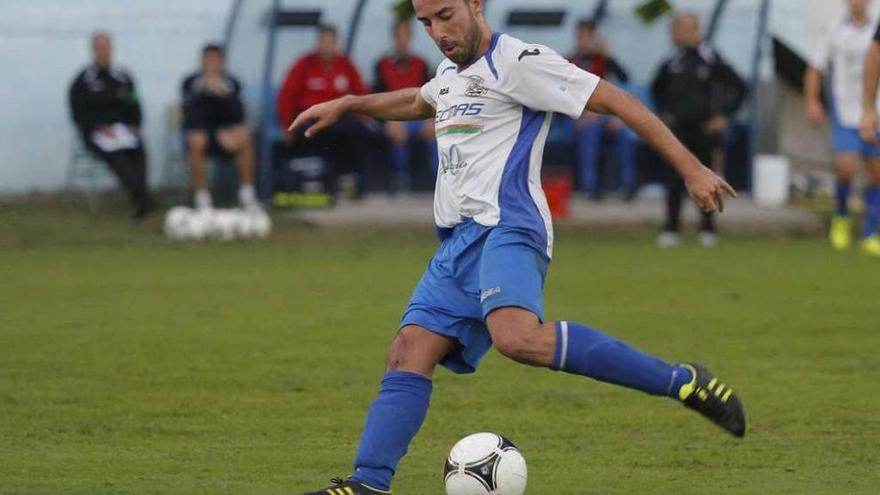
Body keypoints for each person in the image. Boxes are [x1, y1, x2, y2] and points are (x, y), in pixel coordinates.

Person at [290, 1, 745, 494]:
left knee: (517, 338)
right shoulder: (449, 71)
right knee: (407, 350)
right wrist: (352, 103)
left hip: (509, 225)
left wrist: (691, 167)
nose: (437, 32)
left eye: (445, 15)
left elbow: (615, 99)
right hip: (459, 241)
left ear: (476, 4)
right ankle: (367, 484)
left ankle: (680, 380)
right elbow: (422, 101)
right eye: (425, 23)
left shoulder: (519, 61)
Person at [651, 12, 747, 248]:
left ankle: (707, 228)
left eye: (683, 29)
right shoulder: (672, 62)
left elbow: (740, 87)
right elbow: (657, 90)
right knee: (674, 179)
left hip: (703, 131)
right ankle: (671, 228)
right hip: (676, 132)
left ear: (696, 30)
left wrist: (723, 115)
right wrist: (664, 114)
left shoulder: (710, 59)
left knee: (706, 179)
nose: (677, 34)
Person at [811, 0, 880, 256]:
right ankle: (841, 216)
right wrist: (812, 101)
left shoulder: (875, 26)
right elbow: (816, 66)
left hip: (877, 111)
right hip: (846, 111)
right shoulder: (834, 29)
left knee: (876, 172)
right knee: (846, 166)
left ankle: (871, 231)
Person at [69, 32, 155, 219]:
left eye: (106, 47)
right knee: (117, 156)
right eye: (99, 48)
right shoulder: (83, 81)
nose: (103, 51)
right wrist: (98, 128)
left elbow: (135, 103)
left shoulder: (123, 77)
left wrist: (134, 125)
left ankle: (140, 197)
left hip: (123, 130)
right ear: (93, 50)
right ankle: (141, 198)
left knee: (138, 150)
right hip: (97, 134)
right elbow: (78, 113)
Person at [277, 25, 371, 196]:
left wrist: (363, 118)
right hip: (311, 118)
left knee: (361, 132)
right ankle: (314, 183)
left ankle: (350, 179)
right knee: (309, 133)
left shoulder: (346, 65)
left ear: (336, 44)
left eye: (331, 42)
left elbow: (361, 95)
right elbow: (287, 95)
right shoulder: (304, 64)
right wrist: (287, 126)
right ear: (318, 43)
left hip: (340, 118)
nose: (327, 46)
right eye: (323, 41)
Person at [181, 44, 258, 210]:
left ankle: (247, 193)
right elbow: (190, 117)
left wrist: (224, 95)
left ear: (222, 62)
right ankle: (201, 196)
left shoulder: (232, 83)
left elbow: (238, 116)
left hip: (227, 135)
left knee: (244, 137)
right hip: (203, 135)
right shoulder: (190, 82)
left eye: (216, 60)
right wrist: (214, 132)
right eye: (208, 60)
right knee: (196, 140)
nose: (211, 64)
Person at [568, 19, 637, 199]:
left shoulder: (603, 59)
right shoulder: (571, 60)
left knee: (623, 133)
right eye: (580, 36)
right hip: (582, 115)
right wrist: (580, 114)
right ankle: (590, 187)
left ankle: (628, 185)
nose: (584, 40)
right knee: (591, 134)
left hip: (605, 114)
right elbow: (562, 93)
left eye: (587, 36)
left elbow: (625, 78)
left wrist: (608, 55)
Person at [374, 19, 436, 192]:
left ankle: (440, 181)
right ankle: (400, 179)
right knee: (397, 134)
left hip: (417, 117)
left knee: (435, 133)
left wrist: (430, 120)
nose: (402, 39)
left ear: (410, 38)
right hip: (394, 118)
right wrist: (389, 120)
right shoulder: (382, 65)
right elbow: (377, 99)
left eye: (406, 35)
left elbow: (430, 96)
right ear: (393, 37)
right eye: (399, 35)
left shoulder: (421, 64)